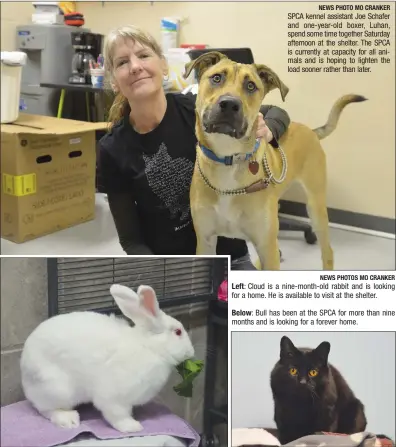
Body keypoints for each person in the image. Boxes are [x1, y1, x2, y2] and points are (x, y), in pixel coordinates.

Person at [97, 25, 291, 270]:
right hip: (168, 264)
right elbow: (131, 240)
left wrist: (269, 129)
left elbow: (277, 112)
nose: (135, 66)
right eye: (123, 62)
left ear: (164, 66)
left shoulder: (196, 110)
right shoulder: (112, 148)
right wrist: (155, 273)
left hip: (230, 257)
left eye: (144, 55)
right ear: (114, 80)